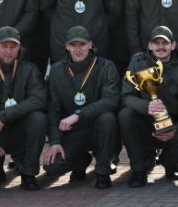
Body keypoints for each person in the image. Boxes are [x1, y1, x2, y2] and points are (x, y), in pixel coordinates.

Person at [41, 25, 122, 189]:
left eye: (82, 45)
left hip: (98, 129)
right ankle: (82, 161)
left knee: (108, 118)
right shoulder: (57, 71)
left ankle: (102, 171)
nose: (78, 49)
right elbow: (53, 109)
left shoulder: (105, 67)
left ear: (90, 45)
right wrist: (55, 142)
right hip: (73, 132)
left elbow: (111, 100)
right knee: (53, 167)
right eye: (74, 45)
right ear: (67, 46)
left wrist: (79, 114)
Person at [0, 26, 50, 191]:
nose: (8, 51)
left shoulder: (29, 69)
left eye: (13, 46)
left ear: (19, 47)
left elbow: (40, 99)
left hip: (19, 132)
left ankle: (29, 173)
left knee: (39, 118)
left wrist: (7, 115)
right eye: (4, 46)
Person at [120, 26, 178, 187]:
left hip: (169, 129)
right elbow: (125, 97)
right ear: (150, 45)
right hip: (144, 127)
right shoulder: (137, 65)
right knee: (125, 115)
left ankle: (170, 163)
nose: (161, 47)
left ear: (173, 45)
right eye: (157, 43)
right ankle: (139, 170)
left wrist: (174, 132)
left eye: (165, 43)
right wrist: (146, 106)